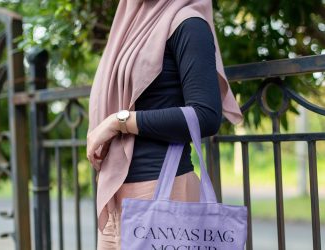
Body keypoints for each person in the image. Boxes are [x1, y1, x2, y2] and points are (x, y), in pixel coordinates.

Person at [86, 0, 243, 249]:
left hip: (162, 194)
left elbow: (206, 115)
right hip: (115, 198)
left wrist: (119, 122)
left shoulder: (188, 23)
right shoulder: (129, 24)